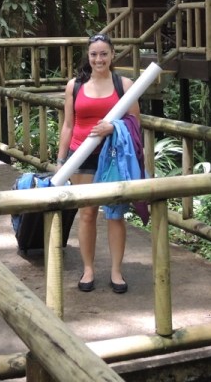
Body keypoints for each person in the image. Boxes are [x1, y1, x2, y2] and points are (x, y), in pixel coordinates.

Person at [56, 33, 139, 294]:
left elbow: (135, 123)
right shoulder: (75, 86)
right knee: (87, 213)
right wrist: (61, 160)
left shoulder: (124, 85)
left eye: (104, 54)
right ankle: (88, 269)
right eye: (94, 54)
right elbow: (68, 125)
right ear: (88, 56)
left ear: (112, 55)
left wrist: (113, 127)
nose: (99, 59)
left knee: (115, 214)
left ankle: (116, 271)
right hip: (81, 156)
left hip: (113, 156)